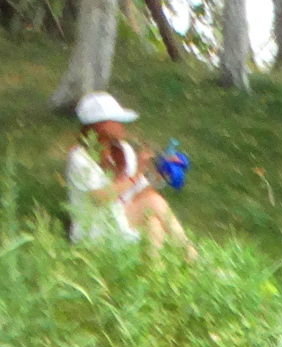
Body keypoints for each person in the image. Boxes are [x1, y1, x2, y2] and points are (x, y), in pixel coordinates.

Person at [66, 92, 196, 258]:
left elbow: (142, 190)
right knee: (153, 203)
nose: (123, 126)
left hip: (119, 216)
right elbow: (101, 197)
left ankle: (155, 272)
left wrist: (163, 172)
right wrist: (136, 174)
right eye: (117, 121)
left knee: (154, 221)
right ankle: (191, 256)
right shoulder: (79, 159)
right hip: (93, 226)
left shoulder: (123, 150)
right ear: (101, 126)